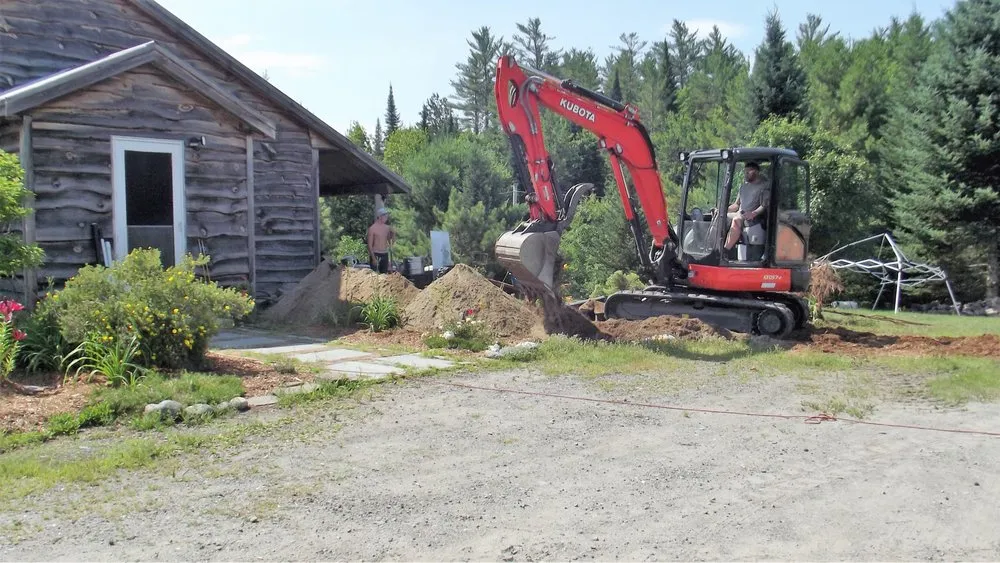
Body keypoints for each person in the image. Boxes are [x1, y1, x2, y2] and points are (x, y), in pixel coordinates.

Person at [724, 161, 769, 254]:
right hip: (740, 213)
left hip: (751, 216)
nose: (745, 174)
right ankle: (712, 248)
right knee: (719, 216)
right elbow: (736, 205)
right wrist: (723, 209)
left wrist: (753, 213)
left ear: (756, 172)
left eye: (748, 172)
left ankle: (724, 251)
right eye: (745, 172)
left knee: (736, 220)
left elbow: (764, 205)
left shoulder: (764, 187)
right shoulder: (743, 186)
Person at [367, 207, 395, 273]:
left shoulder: (387, 228)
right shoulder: (372, 228)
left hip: (384, 254)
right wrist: (373, 258)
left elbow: (390, 242)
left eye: (387, 216)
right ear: (380, 217)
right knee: (375, 275)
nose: (386, 218)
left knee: (384, 275)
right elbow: (369, 245)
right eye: (385, 216)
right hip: (375, 254)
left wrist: (393, 234)